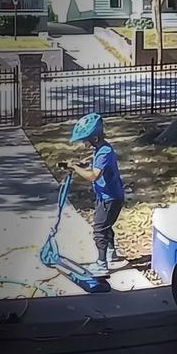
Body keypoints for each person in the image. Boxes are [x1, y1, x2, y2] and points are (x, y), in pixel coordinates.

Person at [67, 112, 126, 277]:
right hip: (109, 196)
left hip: (110, 198)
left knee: (99, 228)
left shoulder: (104, 151)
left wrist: (75, 168)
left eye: (84, 139)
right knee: (106, 225)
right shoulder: (102, 148)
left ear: (94, 138)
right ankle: (111, 253)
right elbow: (98, 164)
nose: (83, 143)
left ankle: (101, 265)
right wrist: (84, 164)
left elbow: (93, 176)